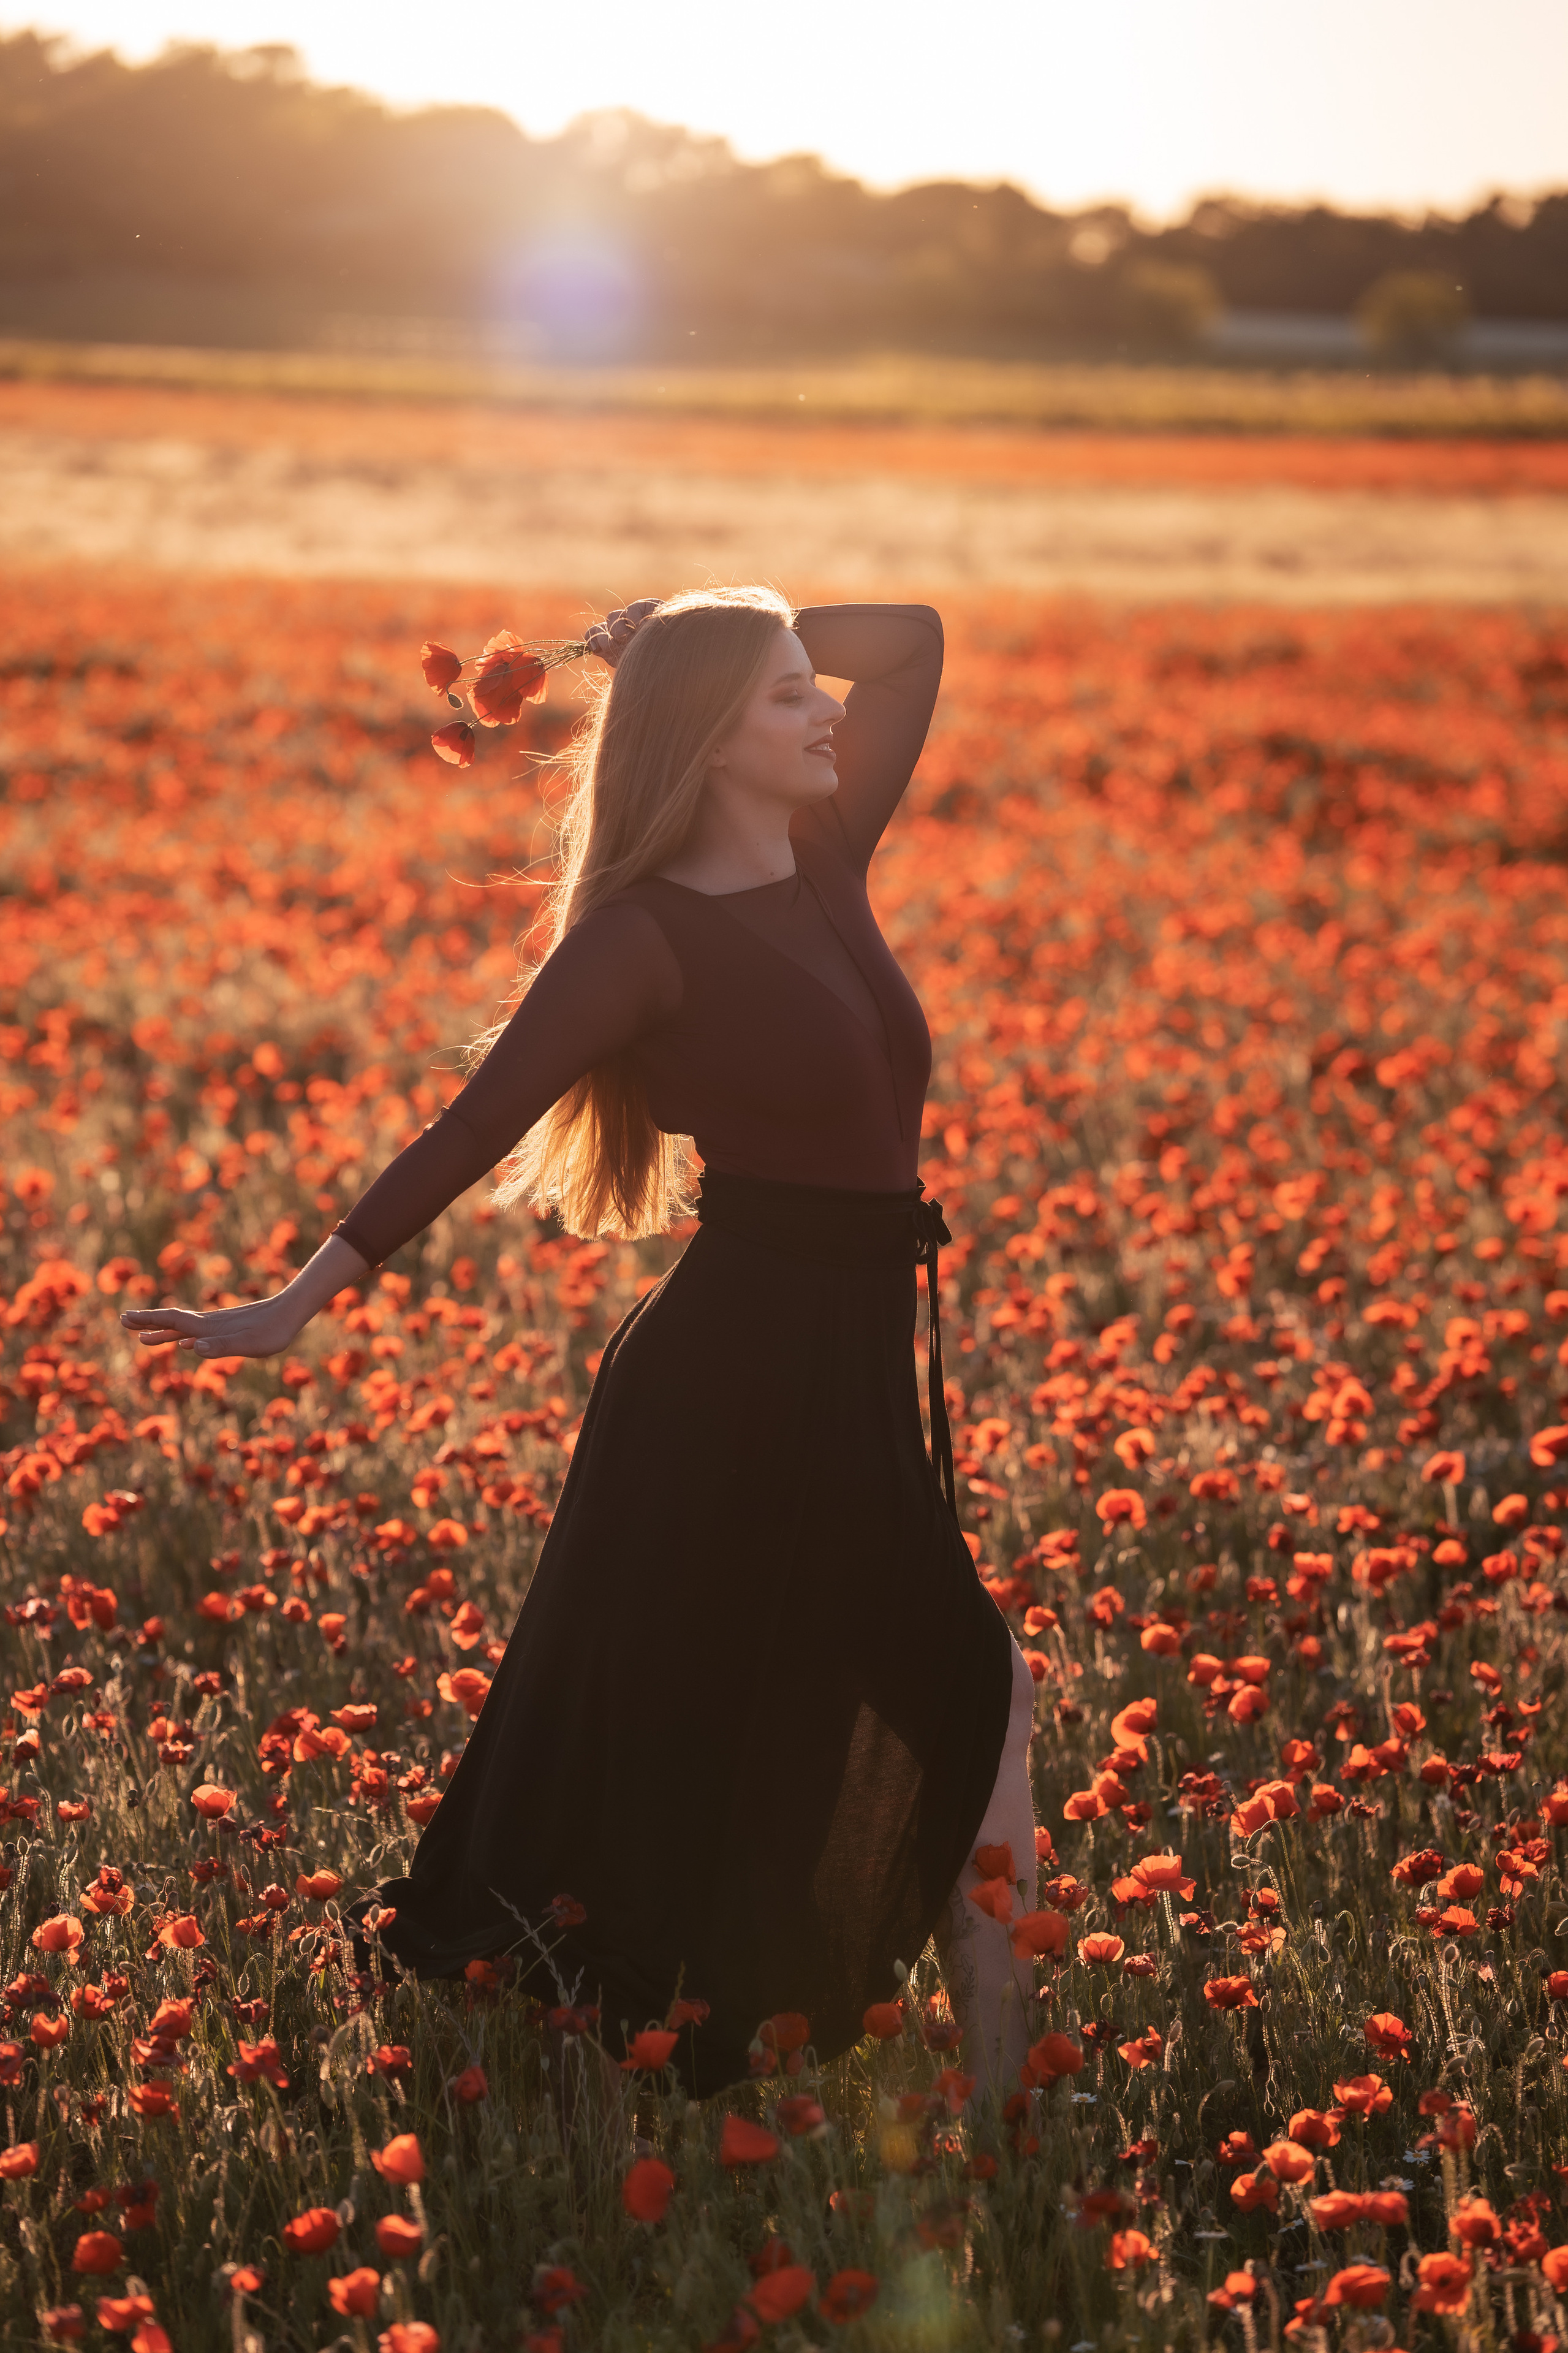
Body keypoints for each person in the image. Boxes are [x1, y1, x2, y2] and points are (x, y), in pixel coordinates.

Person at [121, 588, 1039, 2117]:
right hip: (731, 1378)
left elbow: (919, 639)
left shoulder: (823, 852)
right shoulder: (638, 941)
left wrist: (696, 636)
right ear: (707, 743)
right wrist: (298, 1299)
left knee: (899, 1692)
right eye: (784, 701)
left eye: (816, 692)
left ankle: (984, 2097)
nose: (826, 715)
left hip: (852, 1359)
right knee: (937, 1688)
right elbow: (471, 1125)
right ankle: (990, 2097)